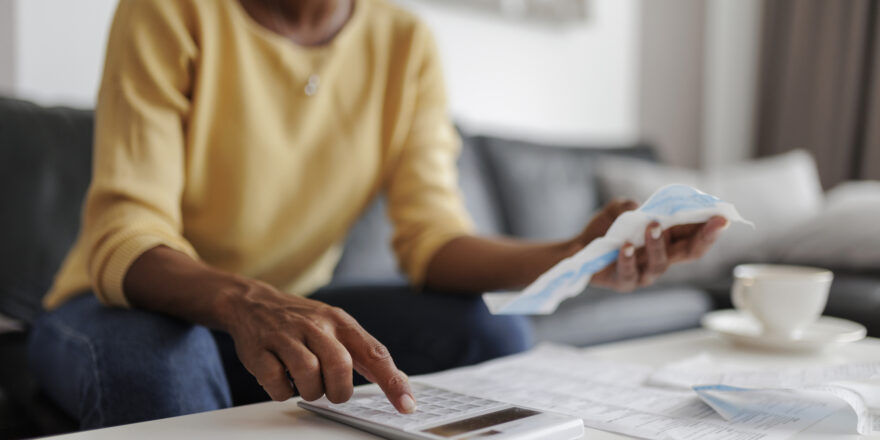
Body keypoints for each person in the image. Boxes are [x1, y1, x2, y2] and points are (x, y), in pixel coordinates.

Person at [27, 0, 728, 430]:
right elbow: (128, 233)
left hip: (285, 310)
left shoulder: (404, 44)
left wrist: (576, 252)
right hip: (127, 302)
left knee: (490, 328)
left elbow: (433, 241)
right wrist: (248, 303)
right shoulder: (169, 9)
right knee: (162, 367)